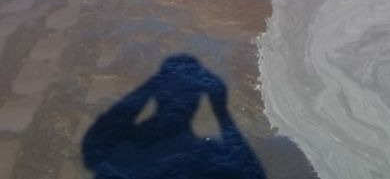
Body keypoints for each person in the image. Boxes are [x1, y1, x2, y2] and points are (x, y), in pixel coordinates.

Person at [82, 54, 266, 179]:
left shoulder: (130, 144)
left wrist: (152, 84)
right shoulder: (206, 151)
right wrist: (222, 112)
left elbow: (100, 138)